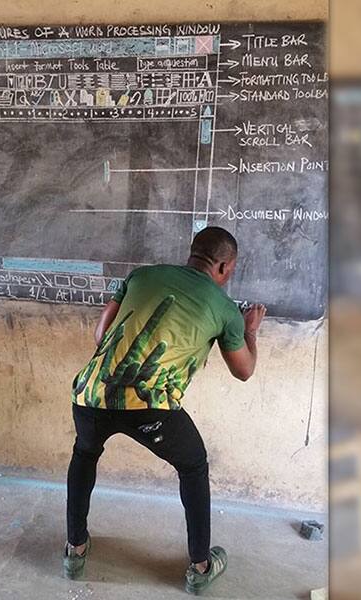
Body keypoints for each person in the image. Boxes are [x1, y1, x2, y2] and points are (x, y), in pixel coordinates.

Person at [64, 226, 266, 594]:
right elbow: (244, 370)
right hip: (149, 405)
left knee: (84, 453)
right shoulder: (225, 309)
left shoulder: (141, 275)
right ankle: (200, 566)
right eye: (231, 270)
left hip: (90, 394)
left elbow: (100, 336)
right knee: (193, 465)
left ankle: (75, 548)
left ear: (192, 254)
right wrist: (251, 330)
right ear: (223, 267)